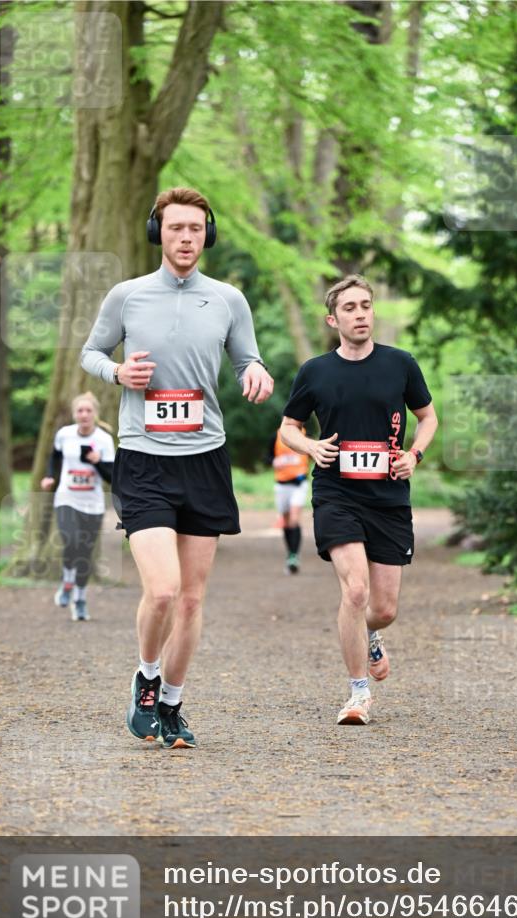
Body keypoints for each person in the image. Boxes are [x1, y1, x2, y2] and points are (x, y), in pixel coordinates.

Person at [80, 187, 273, 749]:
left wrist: (254, 373)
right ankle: (146, 677)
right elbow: (90, 353)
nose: (185, 238)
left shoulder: (229, 299)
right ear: (157, 233)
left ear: (206, 235)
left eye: (195, 228)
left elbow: (247, 357)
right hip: (143, 458)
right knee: (162, 590)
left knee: (191, 599)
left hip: (205, 459)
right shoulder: (127, 296)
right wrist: (117, 374)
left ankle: (172, 704)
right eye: (175, 228)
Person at [280, 275, 438, 726]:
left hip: (388, 496)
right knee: (355, 589)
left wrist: (414, 454)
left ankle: (370, 635)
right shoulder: (315, 371)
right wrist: (310, 447)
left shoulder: (400, 364)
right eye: (349, 308)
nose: (361, 313)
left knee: (383, 608)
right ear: (333, 319)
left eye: (366, 305)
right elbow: (288, 427)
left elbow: (427, 418)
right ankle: (357, 692)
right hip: (336, 492)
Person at [40, 392, 115, 621]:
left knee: (84, 554)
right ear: (74, 414)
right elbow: (54, 457)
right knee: (71, 540)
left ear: (95, 414)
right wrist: (49, 477)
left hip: (92, 504)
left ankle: (79, 599)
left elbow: (112, 477)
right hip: (67, 498)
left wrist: (97, 461)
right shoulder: (65, 435)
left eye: (88, 411)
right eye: (80, 411)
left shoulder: (104, 440)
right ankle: (67, 582)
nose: (84, 415)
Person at [267, 427, 309, 573]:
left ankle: (294, 556)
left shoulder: (305, 434)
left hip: (299, 483)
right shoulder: (276, 436)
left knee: (294, 520)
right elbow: (267, 457)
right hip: (282, 484)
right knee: (285, 521)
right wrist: (274, 461)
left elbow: (312, 453)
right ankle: (290, 553)